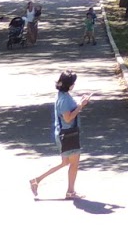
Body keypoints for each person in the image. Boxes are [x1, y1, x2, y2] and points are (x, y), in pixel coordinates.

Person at [30, 70, 91, 200]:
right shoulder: (64, 99)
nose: (74, 85)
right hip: (68, 134)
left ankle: (36, 180)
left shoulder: (62, 95)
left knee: (65, 162)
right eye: (73, 83)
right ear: (70, 85)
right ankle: (70, 191)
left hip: (65, 134)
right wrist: (81, 106)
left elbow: (68, 112)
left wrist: (80, 103)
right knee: (74, 163)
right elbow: (68, 118)